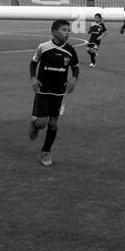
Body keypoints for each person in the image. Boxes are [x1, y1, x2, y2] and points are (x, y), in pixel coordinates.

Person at [27, 19, 80, 166]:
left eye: (68, 30)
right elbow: (33, 63)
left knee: (54, 124)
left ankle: (46, 152)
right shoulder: (43, 47)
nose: (67, 32)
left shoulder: (70, 50)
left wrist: (74, 79)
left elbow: (75, 67)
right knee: (42, 123)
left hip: (59, 91)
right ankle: (34, 122)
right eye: (64, 30)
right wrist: (33, 78)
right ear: (54, 32)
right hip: (43, 89)